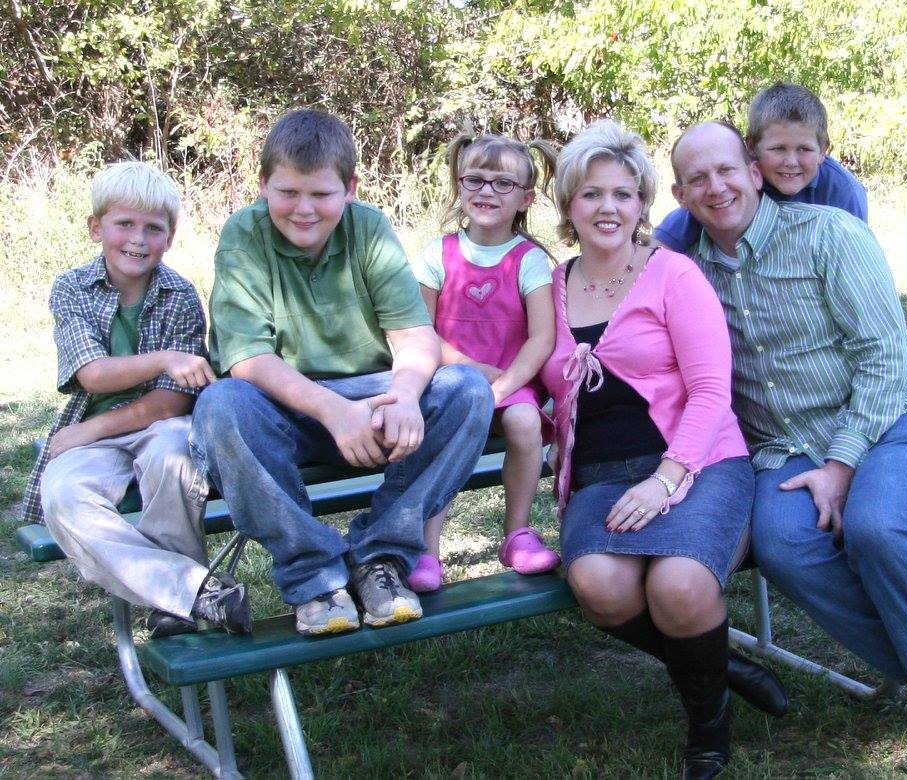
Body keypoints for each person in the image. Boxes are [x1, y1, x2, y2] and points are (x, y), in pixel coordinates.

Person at [670, 120, 907, 760]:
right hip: (786, 449)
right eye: (697, 178)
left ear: (755, 173)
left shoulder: (830, 235)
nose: (715, 187)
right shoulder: (687, 274)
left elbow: (886, 360)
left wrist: (841, 463)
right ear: (680, 195)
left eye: (727, 170)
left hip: (889, 421)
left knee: (877, 527)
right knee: (783, 546)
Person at [541, 120, 787, 780]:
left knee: (679, 587)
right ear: (568, 203)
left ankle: (707, 726)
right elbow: (538, 380)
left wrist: (666, 479)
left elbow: (710, 390)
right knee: (599, 586)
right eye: (592, 194)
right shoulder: (551, 287)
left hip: (698, 463)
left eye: (623, 194)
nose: (608, 208)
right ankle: (723, 665)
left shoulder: (673, 274)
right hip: (601, 476)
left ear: (643, 204)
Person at [190, 109, 494, 637]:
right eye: (288, 192)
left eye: (322, 194)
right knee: (221, 404)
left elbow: (414, 335)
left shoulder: (369, 228)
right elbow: (247, 359)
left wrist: (404, 395)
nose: (304, 209)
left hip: (374, 401)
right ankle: (315, 577)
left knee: (466, 391)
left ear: (350, 189)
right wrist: (334, 411)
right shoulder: (244, 234)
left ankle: (381, 558)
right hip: (286, 407)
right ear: (263, 185)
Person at [23, 161, 251, 639]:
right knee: (62, 496)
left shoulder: (180, 295)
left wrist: (90, 429)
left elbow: (172, 403)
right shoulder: (72, 288)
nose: (138, 239)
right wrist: (164, 359)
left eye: (153, 228)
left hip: (155, 425)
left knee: (173, 459)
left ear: (170, 237)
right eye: (124, 224)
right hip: (93, 433)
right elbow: (92, 373)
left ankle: (173, 606)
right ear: (96, 227)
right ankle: (195, 591)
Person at [407, 132, 560, 592]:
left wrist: (503, 385)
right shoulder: (437, 254)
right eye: (474, 179)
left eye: (503, 183)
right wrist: (473, 376)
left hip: (512, 383)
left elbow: (542, 338)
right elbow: (421, 332)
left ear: (525, 198)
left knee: (525, 423)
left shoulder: (529, 261)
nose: (487, 191)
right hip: (451, 382)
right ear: (459, 185)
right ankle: (427, 549)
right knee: (440, 428)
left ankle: (517, 534)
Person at [655, 82, 867, 253]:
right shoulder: (742, 181)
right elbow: (681, 225)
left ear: (823, 150)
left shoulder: (842, 190)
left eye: (804, 149)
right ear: (751, 147)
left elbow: (857, 251)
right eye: (778, 149)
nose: (791, 161)